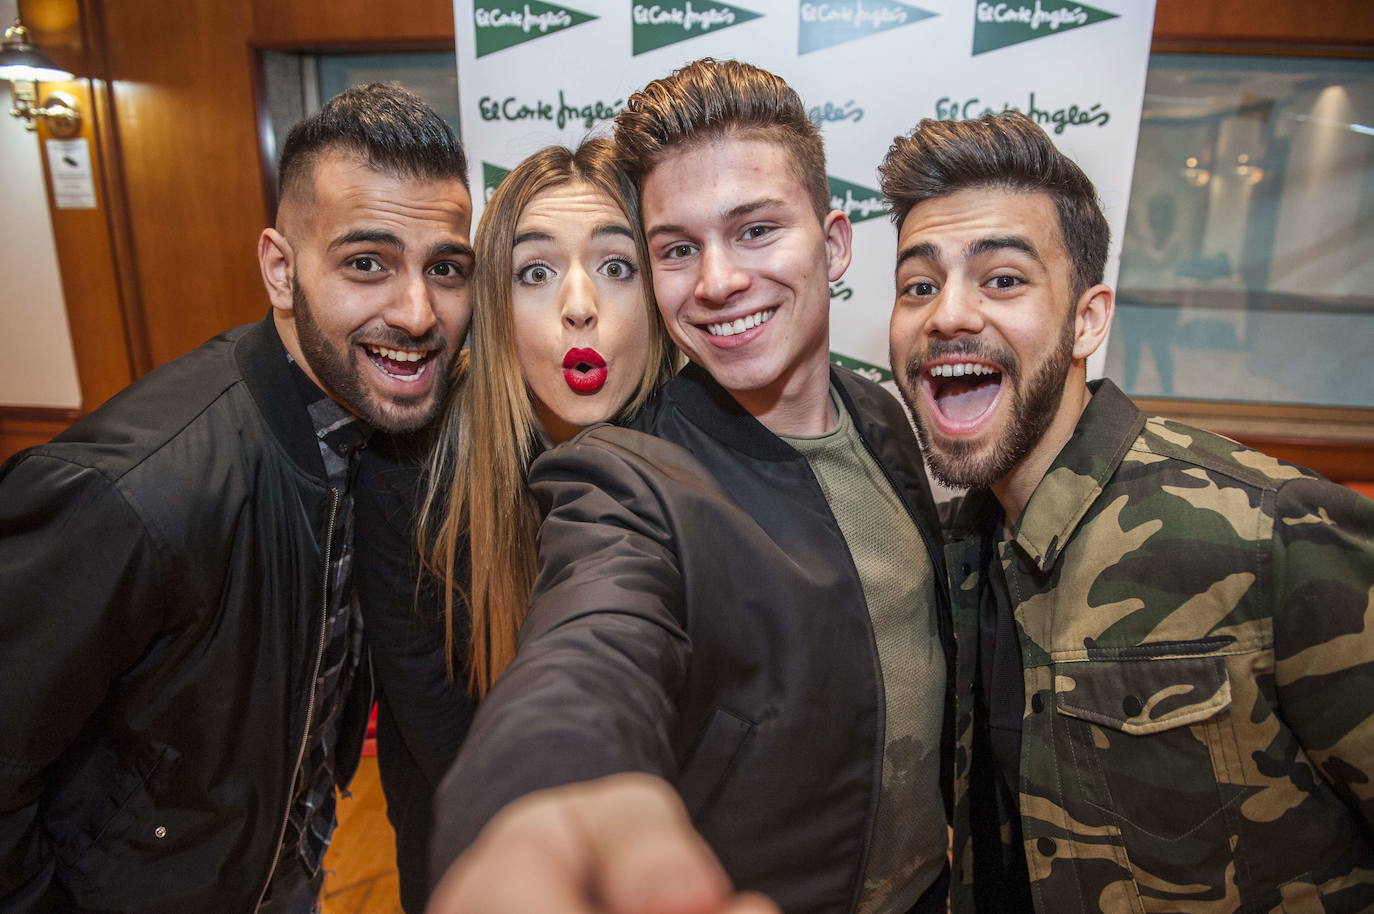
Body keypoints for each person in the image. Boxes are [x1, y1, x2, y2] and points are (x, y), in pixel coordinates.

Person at [427, 58, 952, 914]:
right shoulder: (626, 477)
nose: (715, 282)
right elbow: (590, 648)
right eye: (677, 249)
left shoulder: (884, 422)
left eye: (754, 230)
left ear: (835, 242)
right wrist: (544, 793)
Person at [880, 111, 1374, 913]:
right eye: (919, 286)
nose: (948, 315)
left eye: (1002, 279)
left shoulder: (1272, 530)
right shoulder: (949, 557)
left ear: (1088, 318)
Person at [0, 84, 473, 912]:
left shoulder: (375, 430)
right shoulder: (135, 493)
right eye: (368, 263)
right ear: (281, 270)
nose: (417, 311)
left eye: (446, 268)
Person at [353, 137, 676, 913]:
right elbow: (434, 719)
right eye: (535, 273)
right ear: (496, 308)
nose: (577, 305)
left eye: (616, 266)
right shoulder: (410, 466)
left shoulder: (703, 455)